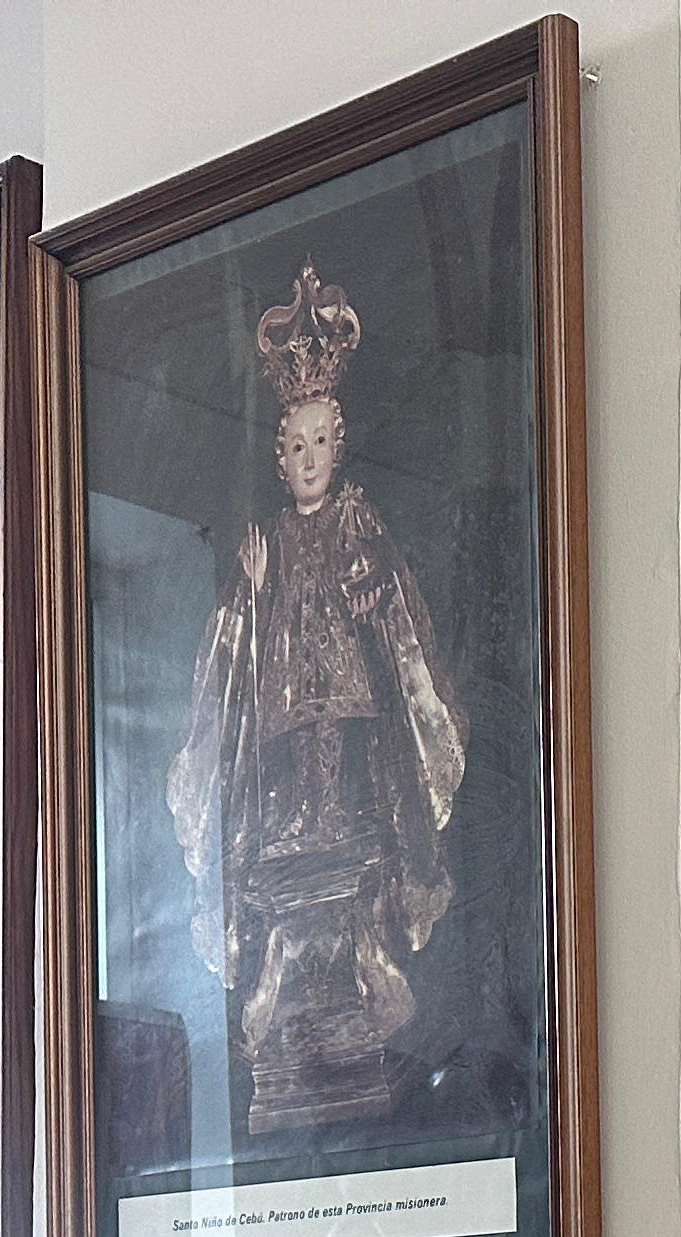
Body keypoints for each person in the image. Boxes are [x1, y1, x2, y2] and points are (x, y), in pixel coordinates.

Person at [166, 260, 465, 1138]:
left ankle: (331, 819)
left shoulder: (358, 519)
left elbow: (388, 594)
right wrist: (252, 591)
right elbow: (240, 633)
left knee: (336, 754)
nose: (305, 462)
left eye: (318, 446)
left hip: (347, 681)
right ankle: (304, 817)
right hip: (288, 683)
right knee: (296, 760)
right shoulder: (268, 538)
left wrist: (371, 580)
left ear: (339, 446)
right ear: (279, 455)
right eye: (292, 448)